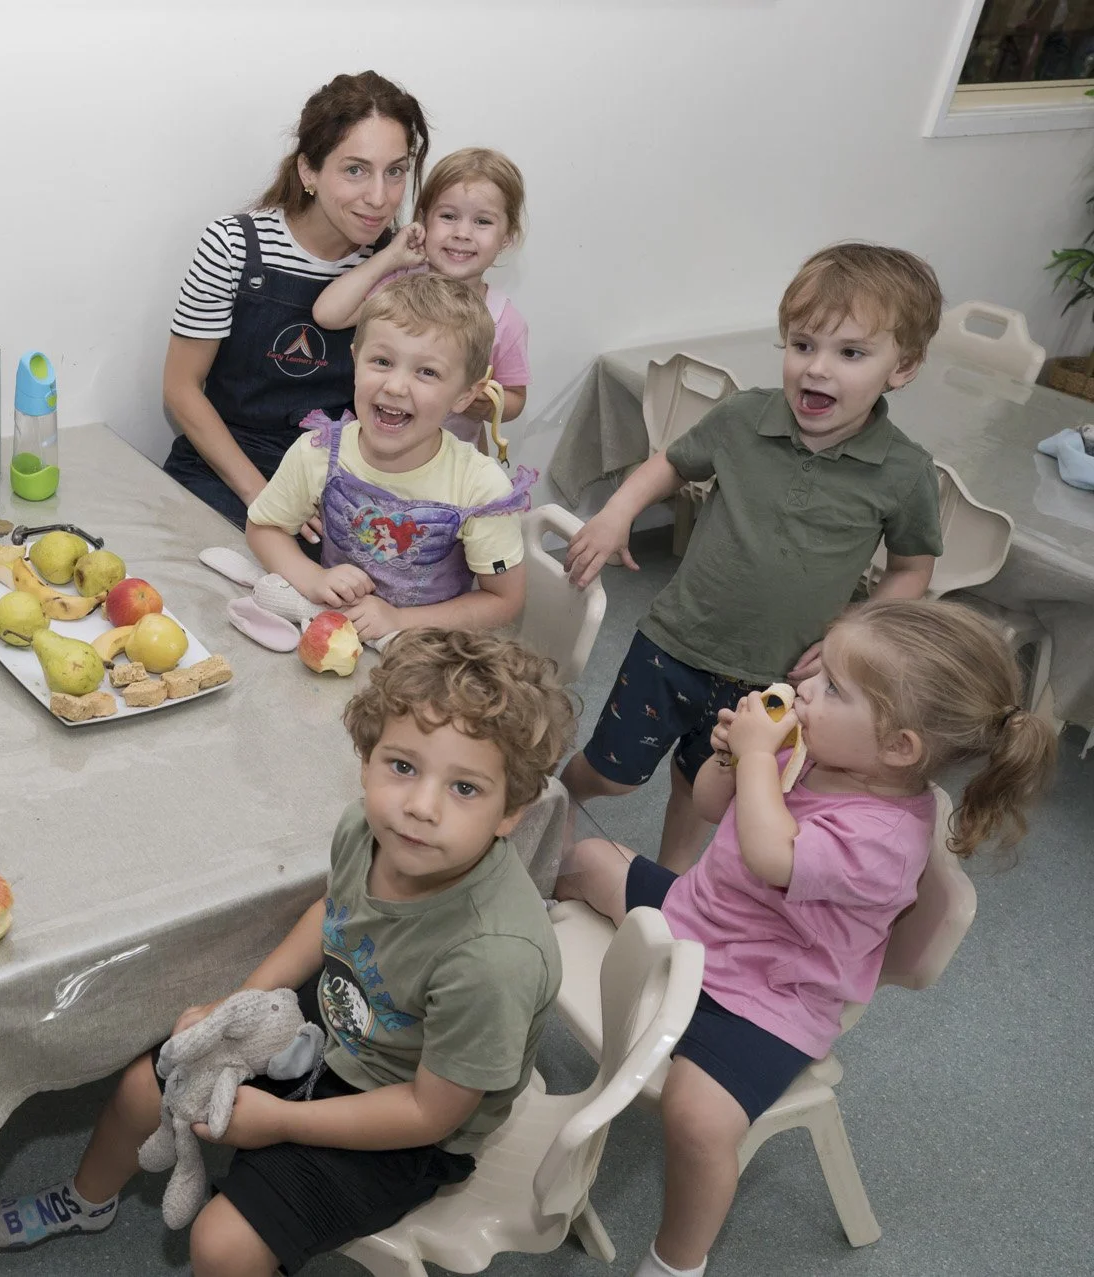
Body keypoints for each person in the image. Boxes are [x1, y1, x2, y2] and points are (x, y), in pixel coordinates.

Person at [0, 628, 571, 1276]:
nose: (420, 807)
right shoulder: (370, 830)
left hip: (407, 1123)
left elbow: (430, 1113)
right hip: (336, 1027)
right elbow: (329, 916)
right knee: (138, 1089)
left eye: (465, 788)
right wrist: (232, 1007)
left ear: (512, 808)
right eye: (403, 766)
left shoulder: (492, 959)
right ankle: (86, 1200)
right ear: (368, 757)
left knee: (221, 1244)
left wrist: (281, 1123)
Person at [556, 599, 1057, 1277]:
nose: (804, 691)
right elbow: (709, 804)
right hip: (700, 915)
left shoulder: (882, 837)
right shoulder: (814, 748)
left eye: (833, 688)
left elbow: (771, 854)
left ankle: (677, 1261)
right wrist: (734, 759)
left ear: (897, 747)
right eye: (817, 671)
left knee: (699, 1120)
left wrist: (761, 759)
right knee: (587, 861)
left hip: (768, 992)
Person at [561, 242, 947, 871]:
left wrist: (855, 631)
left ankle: (670, 887)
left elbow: (912, 572)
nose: (817, 369)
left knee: (704, 787)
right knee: (614, 773)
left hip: (779, 679)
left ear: (901, 367)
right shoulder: (743, 417)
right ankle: (558, 798)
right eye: (802, 345)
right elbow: (671, 463)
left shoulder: (904, 472)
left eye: (850, 352)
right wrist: (616, 513)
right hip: (676, 644)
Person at [162, 70, 430, 533]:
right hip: (223, 472)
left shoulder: (396, 266)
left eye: (396, 172)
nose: (379, 197)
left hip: (330, 486)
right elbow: (181, 389)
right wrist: (261, 496)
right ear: (309, 170)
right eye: (355, 170)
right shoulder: (233, 245)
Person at [245, 272, 531, 643]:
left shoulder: (479, 485)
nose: (395, 386)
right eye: (381, 361)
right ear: (355, 359)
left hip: (429, 656)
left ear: (464, 395)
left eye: (427, 372)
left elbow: (503, 601)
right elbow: (263, 529)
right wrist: (313, 579)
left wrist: (397, 619)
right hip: (337, 637)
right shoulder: (317, 452)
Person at [313, 147, 533, 441]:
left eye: (482, 221)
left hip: (445, 469)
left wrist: (487, 406)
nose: (462, 233)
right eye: (448, 216)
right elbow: (327, 314)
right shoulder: (397, 286)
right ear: (423, 219)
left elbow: (516, 398)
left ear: (507, 236)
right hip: (373, 453)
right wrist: (391, 257)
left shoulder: (504, 320)